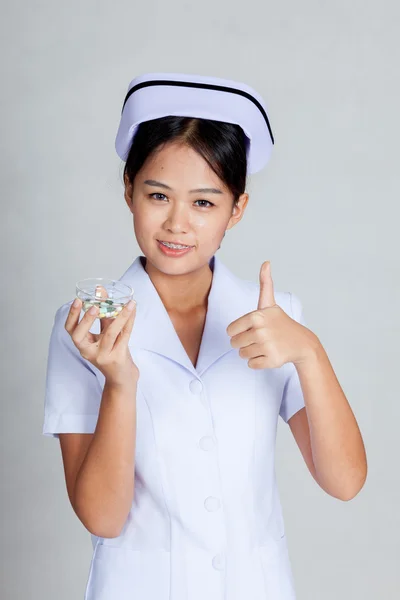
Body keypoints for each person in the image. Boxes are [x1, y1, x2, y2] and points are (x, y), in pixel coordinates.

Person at [42, 72, 367, 600]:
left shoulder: (276, 316)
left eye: (203, 203)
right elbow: (102, 517)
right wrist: (120, 382)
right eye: (157, 195)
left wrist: (310, 352)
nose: (176, 224)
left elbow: (345, 482)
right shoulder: (82, 326)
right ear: (128, 190)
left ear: (236, 209)